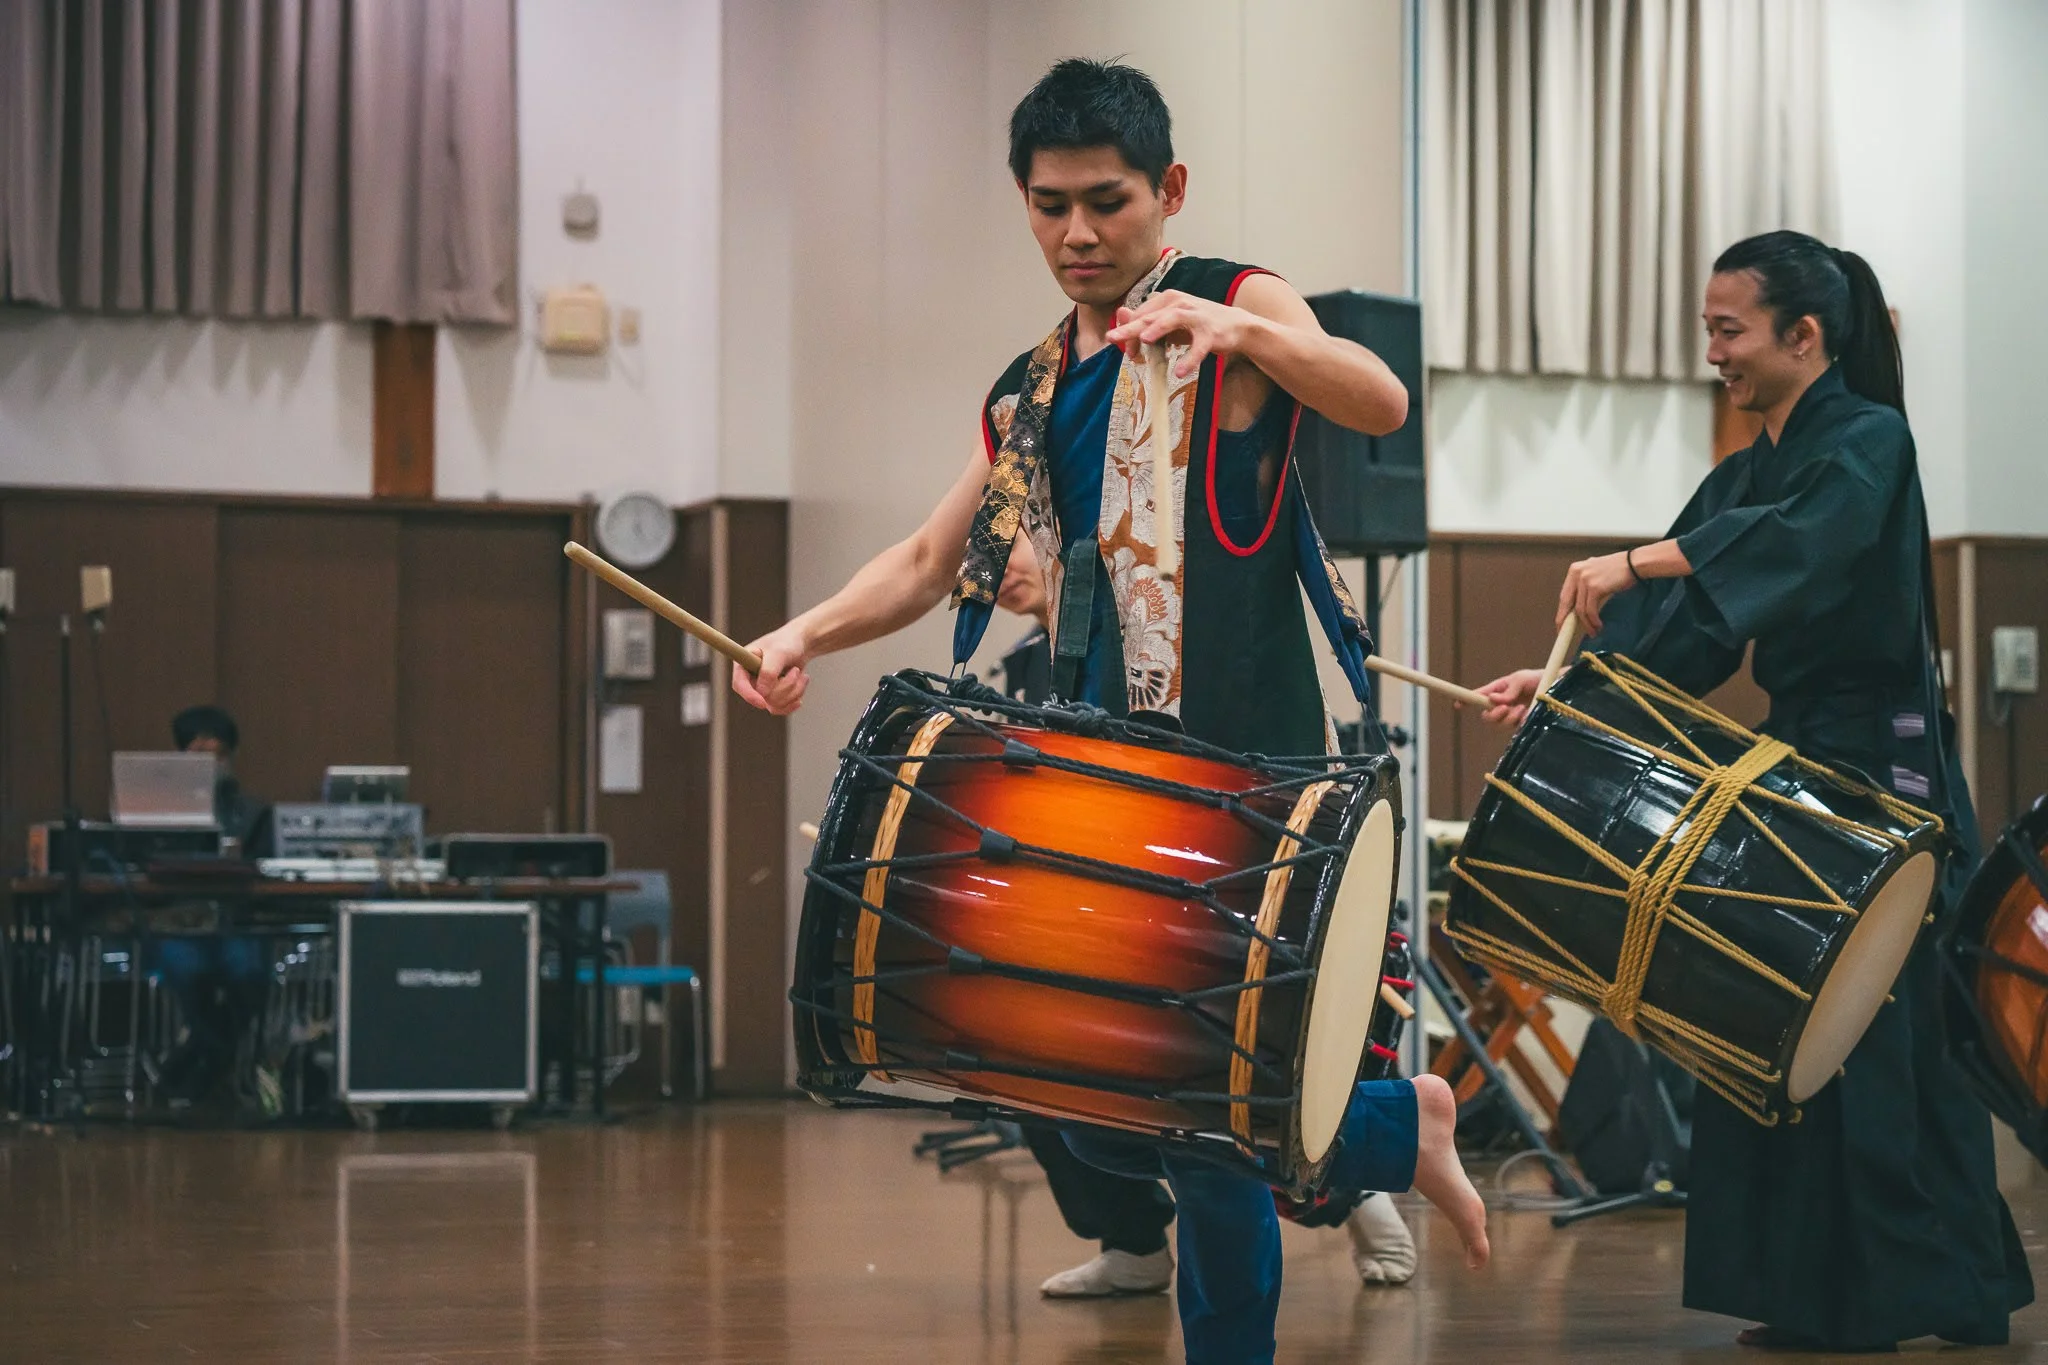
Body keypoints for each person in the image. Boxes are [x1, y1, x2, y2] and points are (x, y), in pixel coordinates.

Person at [735, 58, 1486, 1363]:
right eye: (1047, 206)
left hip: (1244, 777)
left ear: (1168, 191)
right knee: (1100, 1093)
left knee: (1201, 1120)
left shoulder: (1235, 306)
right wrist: (799, 629)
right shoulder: (1028, 388)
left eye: (1106, 201)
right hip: (1100, 781)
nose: (1076, 234)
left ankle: (1326, 1214)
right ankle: (1391, 1129)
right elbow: (927, 560)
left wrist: (1246, 336)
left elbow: (1377, 396)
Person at [1477, 230, 2035, 1351]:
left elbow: (1797, 545)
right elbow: (1685, 624)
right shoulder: (1747, 469)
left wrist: (1634, 558)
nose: (1713, 353)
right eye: (1707, 330)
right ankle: (1813, 1294)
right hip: (1801, 759)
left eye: (1727, 330)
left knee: (1877, 1033)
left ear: (1803, 335)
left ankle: (1921, 1293)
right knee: (1780, 1023)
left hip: (1886, 767)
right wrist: (1564, 680)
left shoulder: (1868, 441)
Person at [994, 540, 1422, 1298]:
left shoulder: (1152, 628)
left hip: (1199, 887)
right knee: (1027, 1052)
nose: (1002, 569)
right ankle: (1132, 1240)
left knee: (1227, 1089)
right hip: (1100, 890)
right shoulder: (1032, 664)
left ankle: (1356, 1179)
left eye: (1015, 545)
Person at [151, 705, 272, 1106]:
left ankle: (192, 1060)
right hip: (177, 922)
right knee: (185, 966)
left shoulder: (253, 814)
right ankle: (216, 1057)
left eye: (216, 756)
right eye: (197, 756)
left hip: (235, 922)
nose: (208, 765)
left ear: (230, 759)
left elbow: (270, 867)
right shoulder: (154, 811)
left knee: (249, 970)